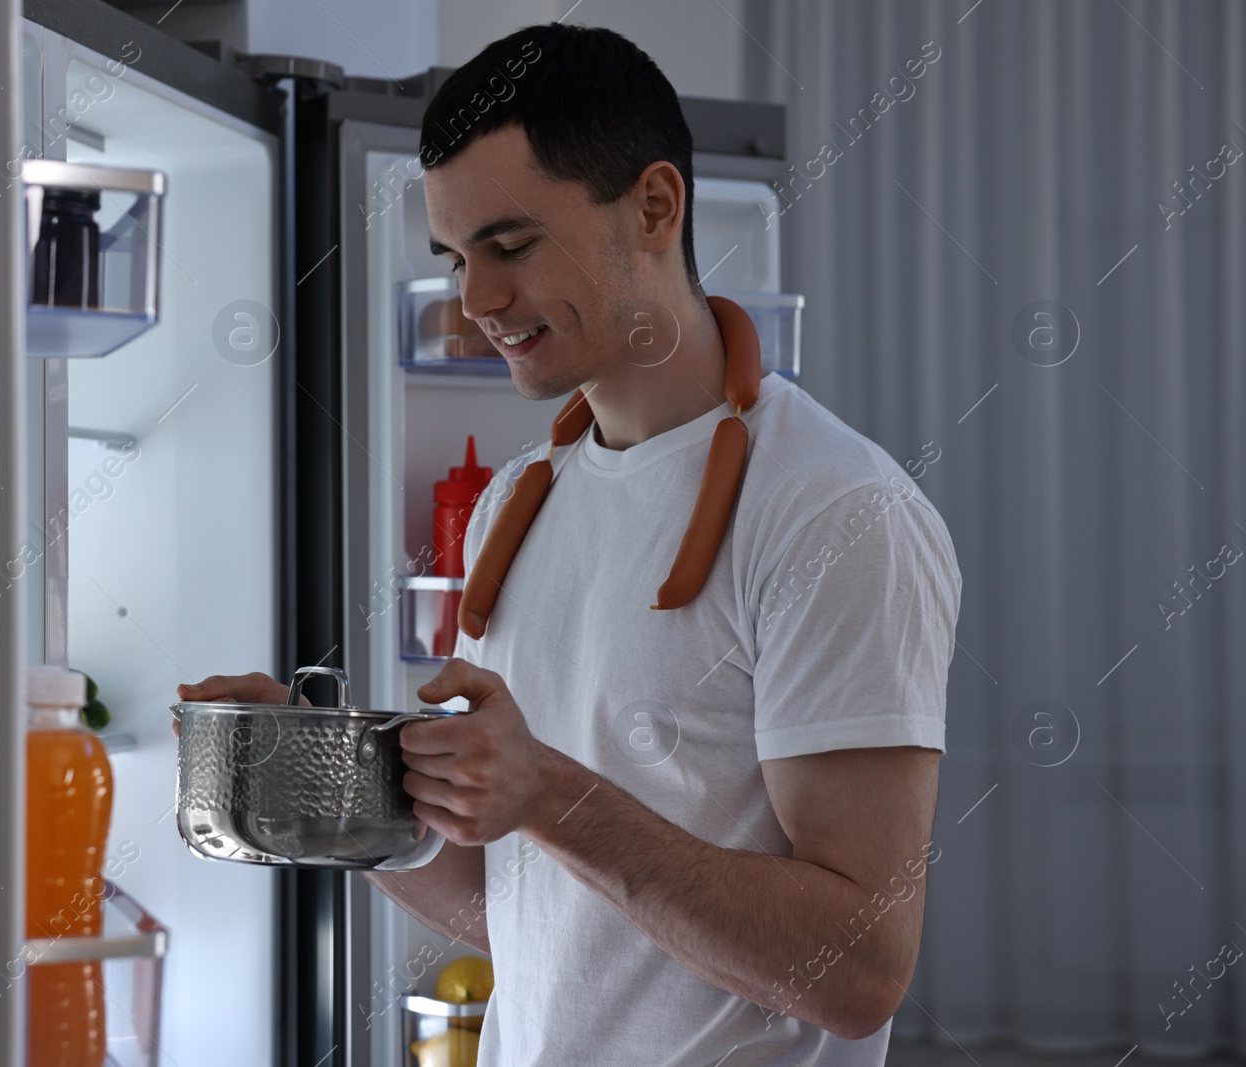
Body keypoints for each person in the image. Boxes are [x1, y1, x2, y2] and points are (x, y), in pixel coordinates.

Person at [178, 21, 961, 1067]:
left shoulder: (836, 514)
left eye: (509, 246)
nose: (476, 301)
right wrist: (324, 790)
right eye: (455, 260)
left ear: (652, 207)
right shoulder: (517, 502)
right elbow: (535, 916)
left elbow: (857, 972)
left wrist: (550, 793)